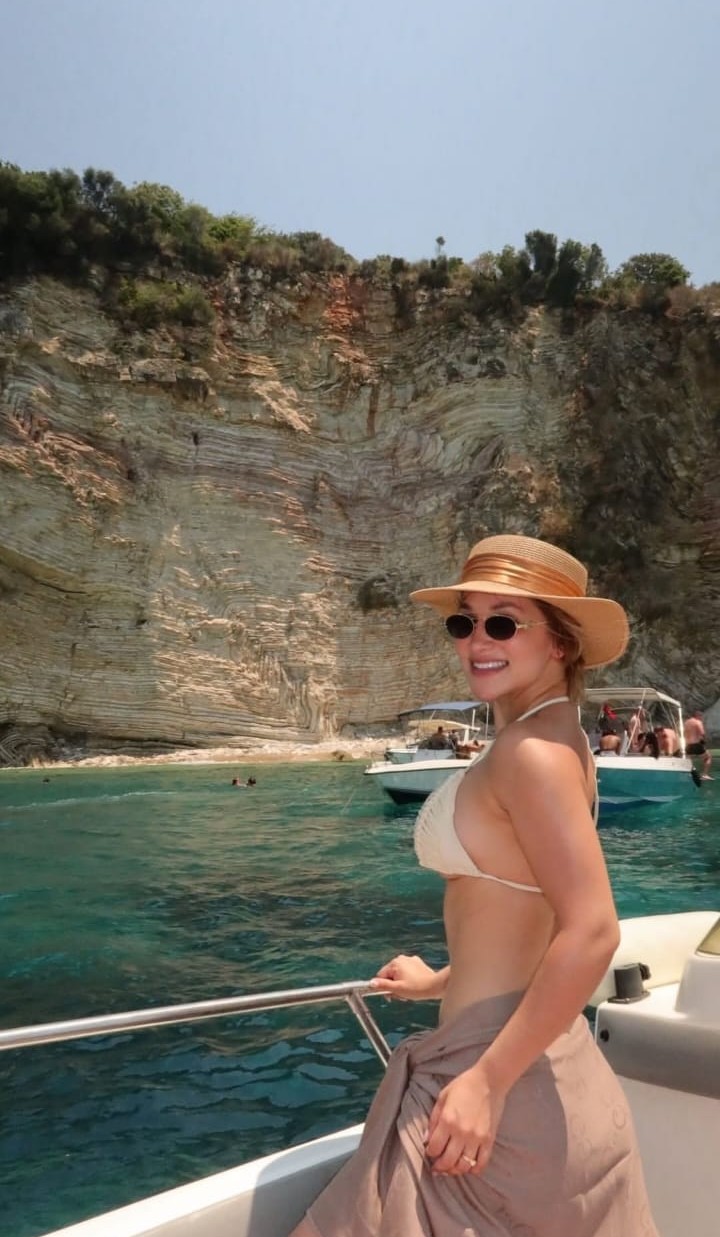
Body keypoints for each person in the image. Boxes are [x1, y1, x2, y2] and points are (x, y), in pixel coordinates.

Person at [291, 533, 658, 1237]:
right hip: (543, 1066)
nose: (477, 640)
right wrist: (439, 982)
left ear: (560, 643)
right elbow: (528, 914)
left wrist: (487, 1081)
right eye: (464, 621)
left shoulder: (532, 755)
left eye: (504, 622)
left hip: (498, 1085)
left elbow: (592, 930)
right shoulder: (558, 738)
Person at [684, 710, 713, 780]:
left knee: (689, 759)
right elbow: (702, 733)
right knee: (708, 757)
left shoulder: (686, 722)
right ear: (698, 716)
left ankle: (690, 773)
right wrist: (704, 741)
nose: (701, 718)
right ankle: (705, 775)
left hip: (688, 745)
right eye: (701, 716)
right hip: (696, 744)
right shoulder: (698, 722)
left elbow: (685, 733)